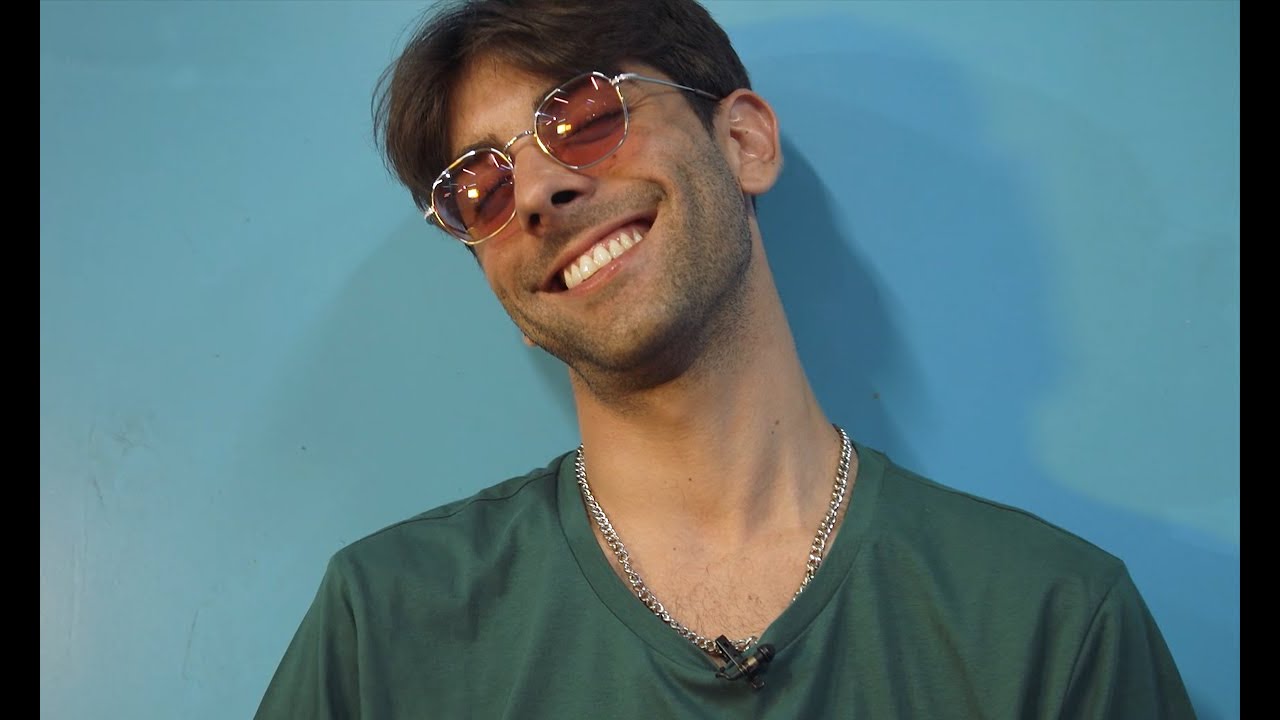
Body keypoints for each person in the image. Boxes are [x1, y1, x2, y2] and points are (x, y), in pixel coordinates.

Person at [255, 0, 1197, 716]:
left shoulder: (1049, 622)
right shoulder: (385, 629)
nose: (536, 192)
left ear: (743, 140)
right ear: (507, 297)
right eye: (481, 191)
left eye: (583, 114)